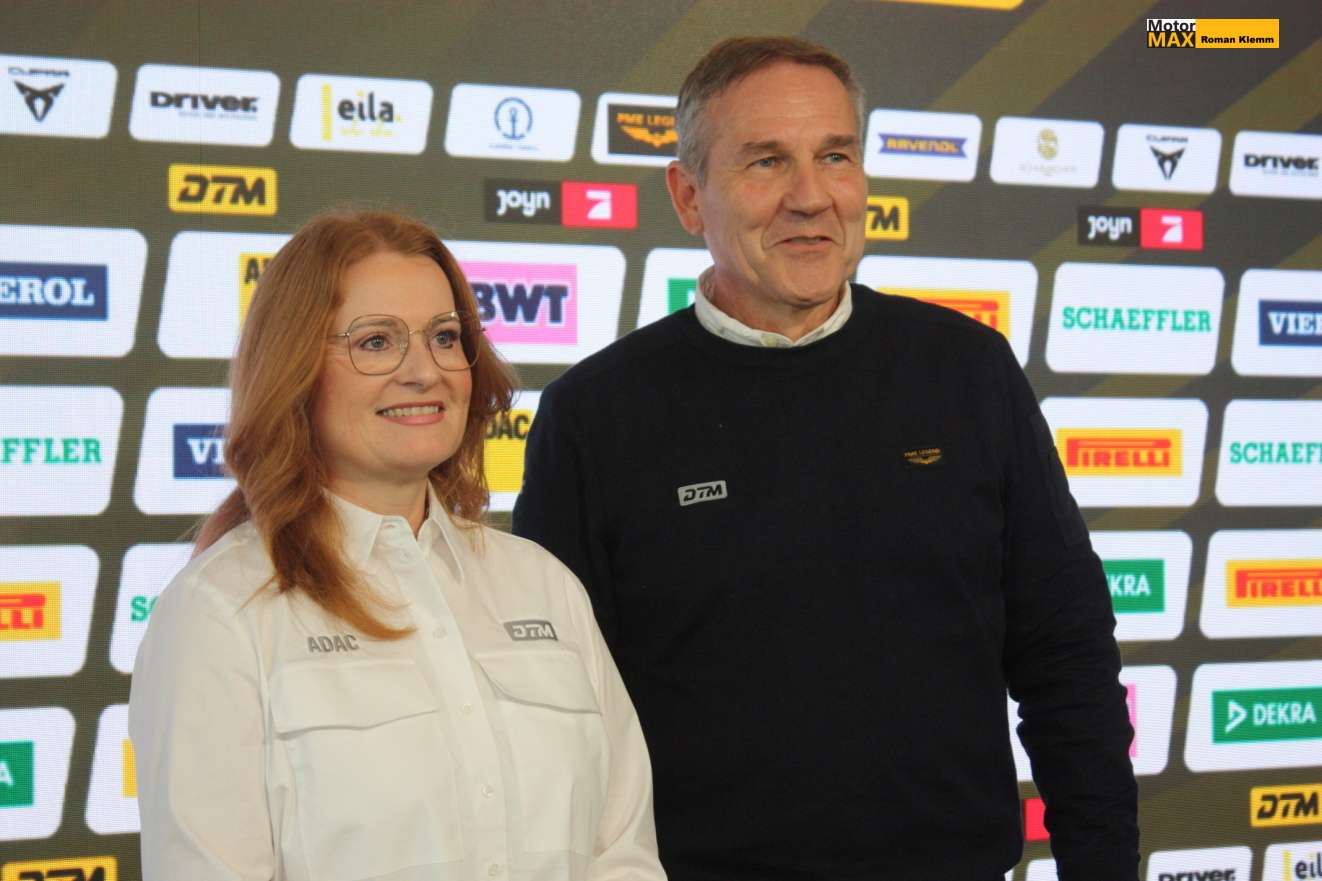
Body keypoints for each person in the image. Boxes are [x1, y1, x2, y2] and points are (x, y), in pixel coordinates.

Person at [512, 36, 1138, 881]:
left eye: (835, 156)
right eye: (766, 161)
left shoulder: (968, 371)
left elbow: (1067, 655)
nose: (810, 197)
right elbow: (556, 718)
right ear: (688, 196)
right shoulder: (594, 415)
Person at [130, 210, 667, 881]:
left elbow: (621, 854)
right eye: (376, 342)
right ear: (295, 367)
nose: (424, 371)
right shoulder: (220, 612)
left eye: (445, 337)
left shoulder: (545, 585)